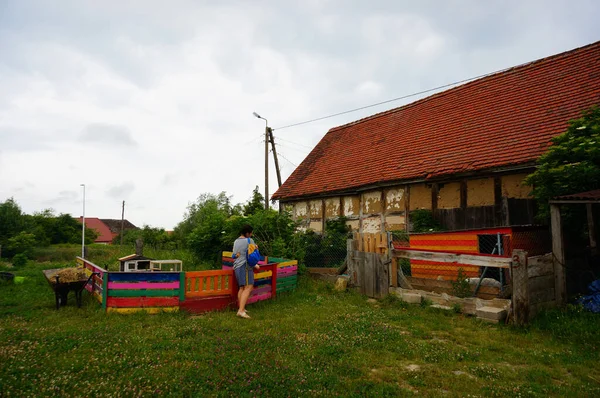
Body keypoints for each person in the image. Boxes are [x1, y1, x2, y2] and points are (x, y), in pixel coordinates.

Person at [232, 224, 260, 319]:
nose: (251, 235)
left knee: (242, 288)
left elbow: (236, 255)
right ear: (247, 233)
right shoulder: (249, 240)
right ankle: (241, 311)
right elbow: (252, 255)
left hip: (237, 266)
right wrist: (256, 248)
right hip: (245, 266)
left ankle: (241, 308)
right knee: (248, 287)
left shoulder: (236, 241)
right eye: (251, 233)